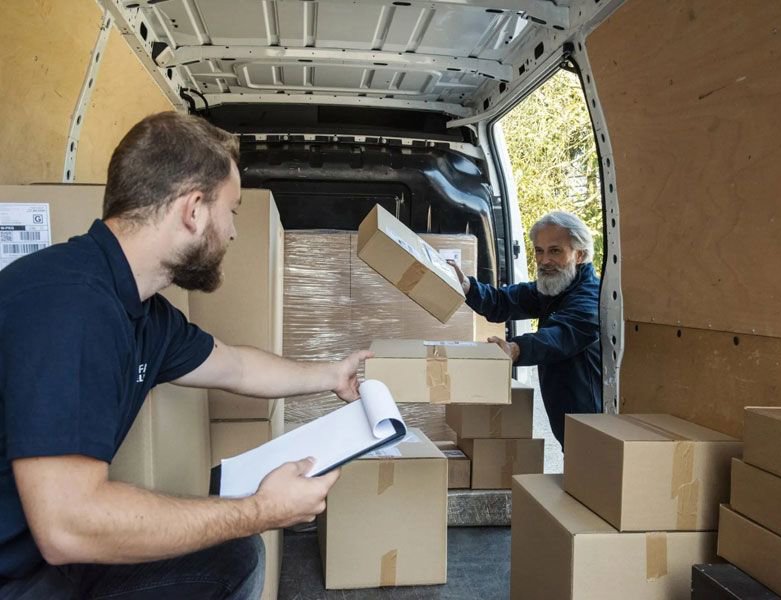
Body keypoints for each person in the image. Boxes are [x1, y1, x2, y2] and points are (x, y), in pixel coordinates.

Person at [0, 112, 370, 599]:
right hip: (17, 574)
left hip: (44, 561)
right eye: (231, 210)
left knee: (231, 558)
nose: (234, 232)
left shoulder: (141, 310)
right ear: (194, 210)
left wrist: (332, 375)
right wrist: (261, 510)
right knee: (239, 539)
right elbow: (68, 527)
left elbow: (236, 365)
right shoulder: (72, 306)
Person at [448, 211, 601, 449]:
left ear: (579, 255)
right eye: (539, 251)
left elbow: (559, 336)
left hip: (590, 421)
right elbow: (502, 302)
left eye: (555, 251)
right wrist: (467, 287)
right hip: (568, 420)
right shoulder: (553, 288)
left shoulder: (591, 297)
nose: (544, 260)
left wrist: (515, 348)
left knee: (591, 477)